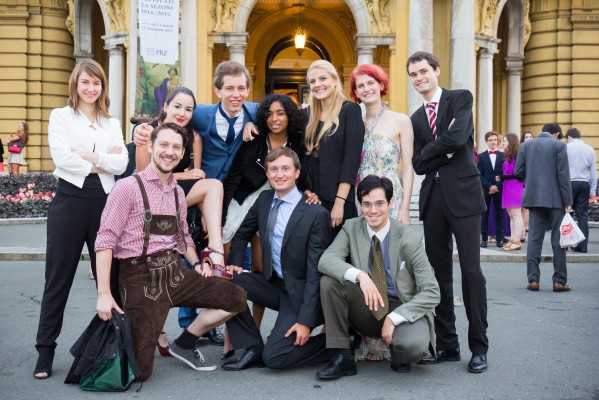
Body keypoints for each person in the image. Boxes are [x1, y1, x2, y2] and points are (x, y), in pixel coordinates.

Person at [94, 123, 247, 381]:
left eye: (176, 147)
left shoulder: (177, 192)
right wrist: (104, 294)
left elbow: (182, 238)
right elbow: (105, 240)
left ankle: (185, 343)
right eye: (163, 145)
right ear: (151, 147)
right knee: (139, 372)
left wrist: (197, 264)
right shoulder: (128, 188)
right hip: (140, 280)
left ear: (182, 152)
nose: (169, 151)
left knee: (237, 297)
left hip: (175, 273)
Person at [34, 59, 128, 379]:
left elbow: (122, 163)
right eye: (85, 82)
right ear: (75, 84)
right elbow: (61, 157)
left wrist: (89, 156)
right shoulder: (61, 116)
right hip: (69, 204)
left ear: (102, 87)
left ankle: (110, 349)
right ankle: (44, 351)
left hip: (105, 205)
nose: (91, 88)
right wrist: (104, 160)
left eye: (96, 83)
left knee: (112, 281)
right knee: (57, 279)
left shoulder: (111, 122)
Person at [406, 51, 488, 373]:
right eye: (413, 74)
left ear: (436, 70)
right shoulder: (414, 119)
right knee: (439, 277)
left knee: (471, 273)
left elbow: (458, 137)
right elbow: (417, 163)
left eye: (424, 71)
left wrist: (436, 148)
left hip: (465, 197)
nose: (419, 78)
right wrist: (446, 147)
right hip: (433, 202)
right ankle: (447, 345)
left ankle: (479, 348)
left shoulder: (460, 99)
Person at [133, 86, 230, 350]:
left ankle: (216, 253)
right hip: (149, 198)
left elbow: (197, 173)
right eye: (177, 106)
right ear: (165, 106)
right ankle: (156, 329)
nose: (182, 113)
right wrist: (186, 176)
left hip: (178, 199)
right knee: (155, 271)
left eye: (188, 109)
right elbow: (144, 174)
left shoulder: (194, 137)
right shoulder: (148, 133)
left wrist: (208, 219)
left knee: (213, 186)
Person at [316, 175, 439, 379]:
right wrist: (361, 276)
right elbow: (326, 260)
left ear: (390, 203)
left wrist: (394, 318)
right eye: (367, 204)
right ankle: (343, 355)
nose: (373, 210)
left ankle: (398, 352)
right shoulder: (351, 227)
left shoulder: (410, 238)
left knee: (412, 347)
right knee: (330, 282)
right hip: (368, 304)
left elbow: (432, 291)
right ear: (360, 205)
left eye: (379, 203)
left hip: (401, 306)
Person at [222, 147, 334, 371]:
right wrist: (234, 262)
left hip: (300, 293)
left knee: (275, 357)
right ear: (267, 174)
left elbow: (315, 273)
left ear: (297, 173)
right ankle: (253, 347)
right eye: (273, 169)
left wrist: (305, 321)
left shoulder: (315, 214)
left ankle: (335, 344)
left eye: (285, 168)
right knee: (226, 281)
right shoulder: (264, 199)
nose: (279, 174)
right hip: (274, 284)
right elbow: (243, 232)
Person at [220, 93, 315, 360]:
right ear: (263, 116)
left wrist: (309, 190)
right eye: (270, 114)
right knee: (233, 271)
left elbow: (302, 170)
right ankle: (231, 338)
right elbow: (234, 176)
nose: (275, 119)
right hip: (245, 200)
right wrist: (221, 214)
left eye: (281, 113)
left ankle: (255, 333)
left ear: (290, 115)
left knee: (262, 272)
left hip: (277, 199)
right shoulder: (254, 137)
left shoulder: (297, 140)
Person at [302, 60, 365, 237]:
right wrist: (306, 190)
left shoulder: (350, 111)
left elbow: (351, 161)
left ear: (335, 80)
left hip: (338, 201)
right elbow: (299, 157)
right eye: (312, 81)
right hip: (311, 200)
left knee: (338, 259)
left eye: (323, 78)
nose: (317, 84)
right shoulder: (306, 115)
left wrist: (339, 203)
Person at [350, 63, 414, 225]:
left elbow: (407, 167)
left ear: (381, 84)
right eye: (361, 86)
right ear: (356, 92)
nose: (366, 89)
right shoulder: (353, 123)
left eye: (371, 83)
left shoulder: (401, 121)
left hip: (389, 196)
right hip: (360, 196)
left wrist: (405, 209)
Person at [514, 123, 573, 292]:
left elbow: (518, 171)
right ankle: (559, 281)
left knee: (534, 239)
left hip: (533, 198)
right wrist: (568, 201)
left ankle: (533, 280)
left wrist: (530, 180)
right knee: (558, 240)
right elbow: (563, 175)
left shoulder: (526, 145)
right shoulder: (559, 146)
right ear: (555, 134)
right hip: (555, 199)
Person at [565, 127, 596, 253]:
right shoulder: (590, 149)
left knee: (567, 213)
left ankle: (566, 243)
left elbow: (562, 169)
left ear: (569, 137)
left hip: (570, 183)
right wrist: (593, 191)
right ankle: (582, 246)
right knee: (582, 215)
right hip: (584, 184)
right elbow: (593, 173)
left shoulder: (566, 148)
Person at [496, 133, 525, 251]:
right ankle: (513, 239)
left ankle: (517, 241)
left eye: (505, 140)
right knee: (511, 215)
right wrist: (503, 177)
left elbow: (519, 174)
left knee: (517, 215)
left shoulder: (517, 155)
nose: (503, 142)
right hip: (508, 187)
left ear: (511, 142)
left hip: (515, 187)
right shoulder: (508, 155)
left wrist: (503, 177)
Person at [477, 131, 506, 248]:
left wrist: (496, 187)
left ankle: (499, 239)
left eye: (495, 140)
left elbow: (505, 174)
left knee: (499, 214)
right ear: (486, 142)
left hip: (499, 189)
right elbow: (479, 174)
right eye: (491, 140)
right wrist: (489, 187)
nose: (493, 142)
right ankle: (484, 239)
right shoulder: (481, 156)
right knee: (484, 215)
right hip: (486, 189)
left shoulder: (503, 156)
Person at [520, 131, 534, 237]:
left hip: (532, 179)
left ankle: (526, 227)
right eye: (526, 137)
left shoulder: (535, 149)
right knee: (522, 206)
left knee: (527, 207)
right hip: (522, 179)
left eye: (530, 137)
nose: (528, 138)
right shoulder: (521, 149)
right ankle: (522, 229)